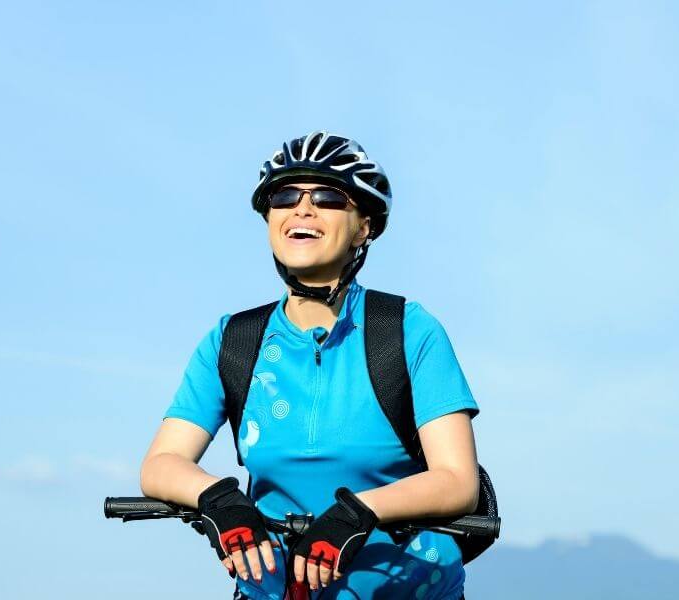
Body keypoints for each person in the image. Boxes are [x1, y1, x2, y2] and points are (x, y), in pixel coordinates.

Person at [140, 131, 481, 599]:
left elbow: (457, 480)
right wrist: (218, 499)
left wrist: (358, 512)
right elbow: (162, 463)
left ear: (364, 226)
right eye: (284, 196)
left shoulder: (407, 330)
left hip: (405, 588)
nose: (302, 208)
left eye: (326, 197)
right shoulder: (234, 341)